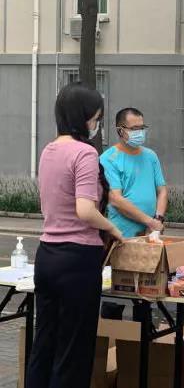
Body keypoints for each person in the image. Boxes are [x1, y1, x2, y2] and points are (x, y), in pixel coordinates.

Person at [26, 82, 124, 388]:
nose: (96, 124)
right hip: (78, 259)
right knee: (73, 350)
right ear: (82, 116)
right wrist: (112, 228)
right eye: (95, 117)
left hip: (47, 256)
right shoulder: (84, 153)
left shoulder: (48, 150)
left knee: (45, 342)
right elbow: (85, 210)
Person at [100, 107, 168, 320]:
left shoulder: (150, 156)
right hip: (120, 237)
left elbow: (162, 190)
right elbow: (116, 199)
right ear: (120, 130)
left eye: (142, 127)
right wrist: (149, 220)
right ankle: (110, 337)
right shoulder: (109, 158)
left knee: (146, 294)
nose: (140, 132)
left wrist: (158, 219)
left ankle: (144, 335)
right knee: (116, 295)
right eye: (134, 128)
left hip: (148, 236)